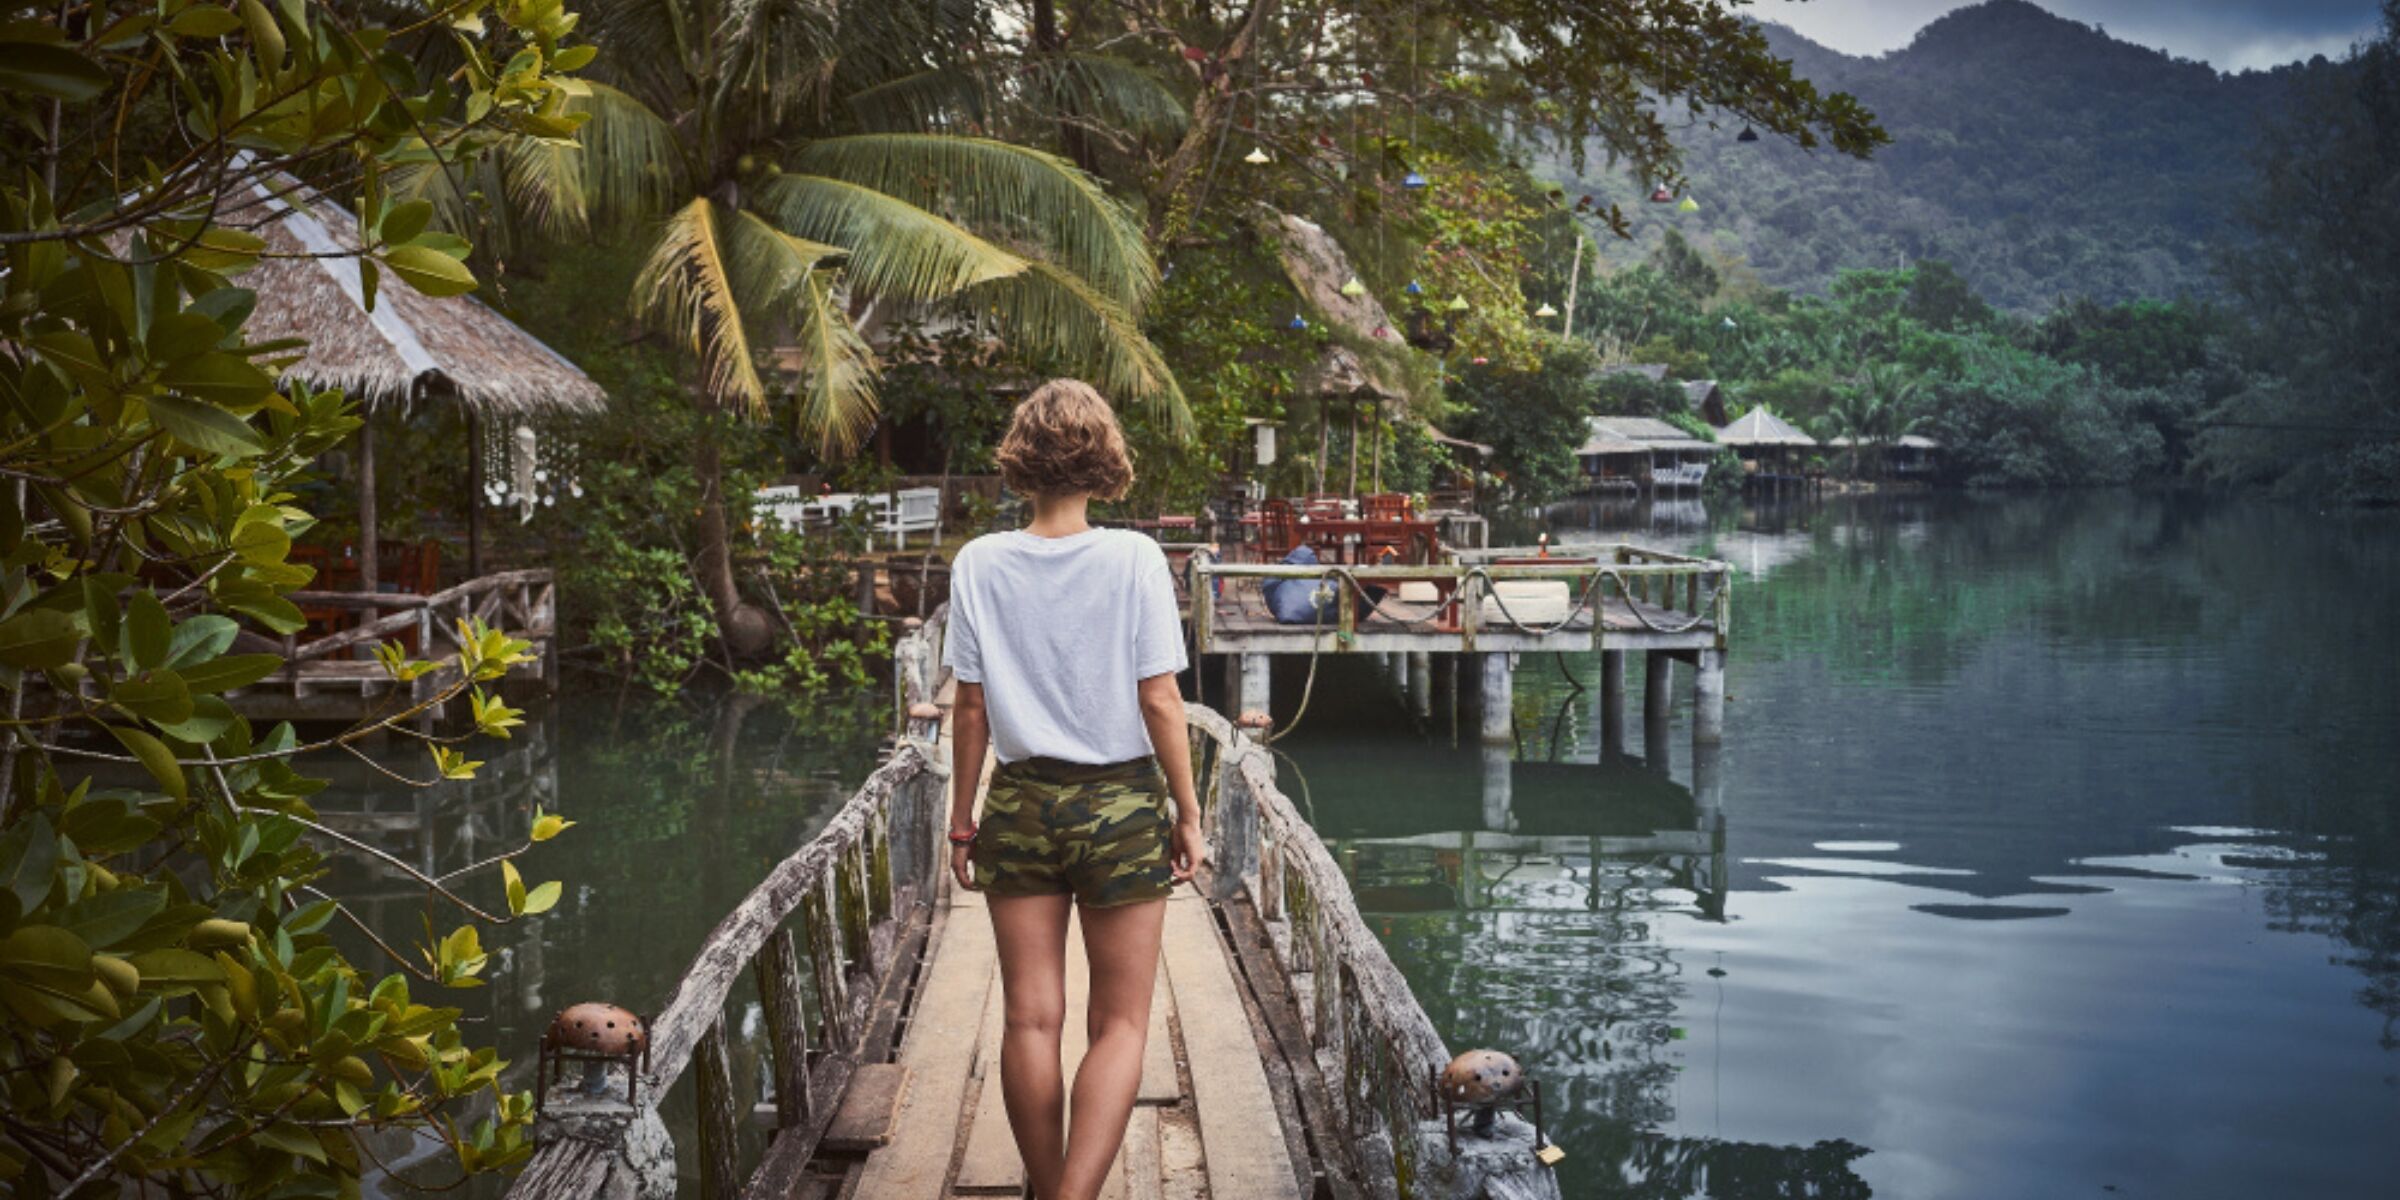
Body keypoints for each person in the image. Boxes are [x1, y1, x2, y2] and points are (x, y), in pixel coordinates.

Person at [943, 379, 1207, 1200]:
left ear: (1021, 461)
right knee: (1121, 1022)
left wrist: (963, 819)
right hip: (1122, 805)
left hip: (1019, 803)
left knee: (1029, 1018)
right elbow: (1160, 698)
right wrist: (1189, 811)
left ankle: (1049, 1184)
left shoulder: (979, 562)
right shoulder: (1133, 558)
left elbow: (971, 706)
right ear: (1104, 463)